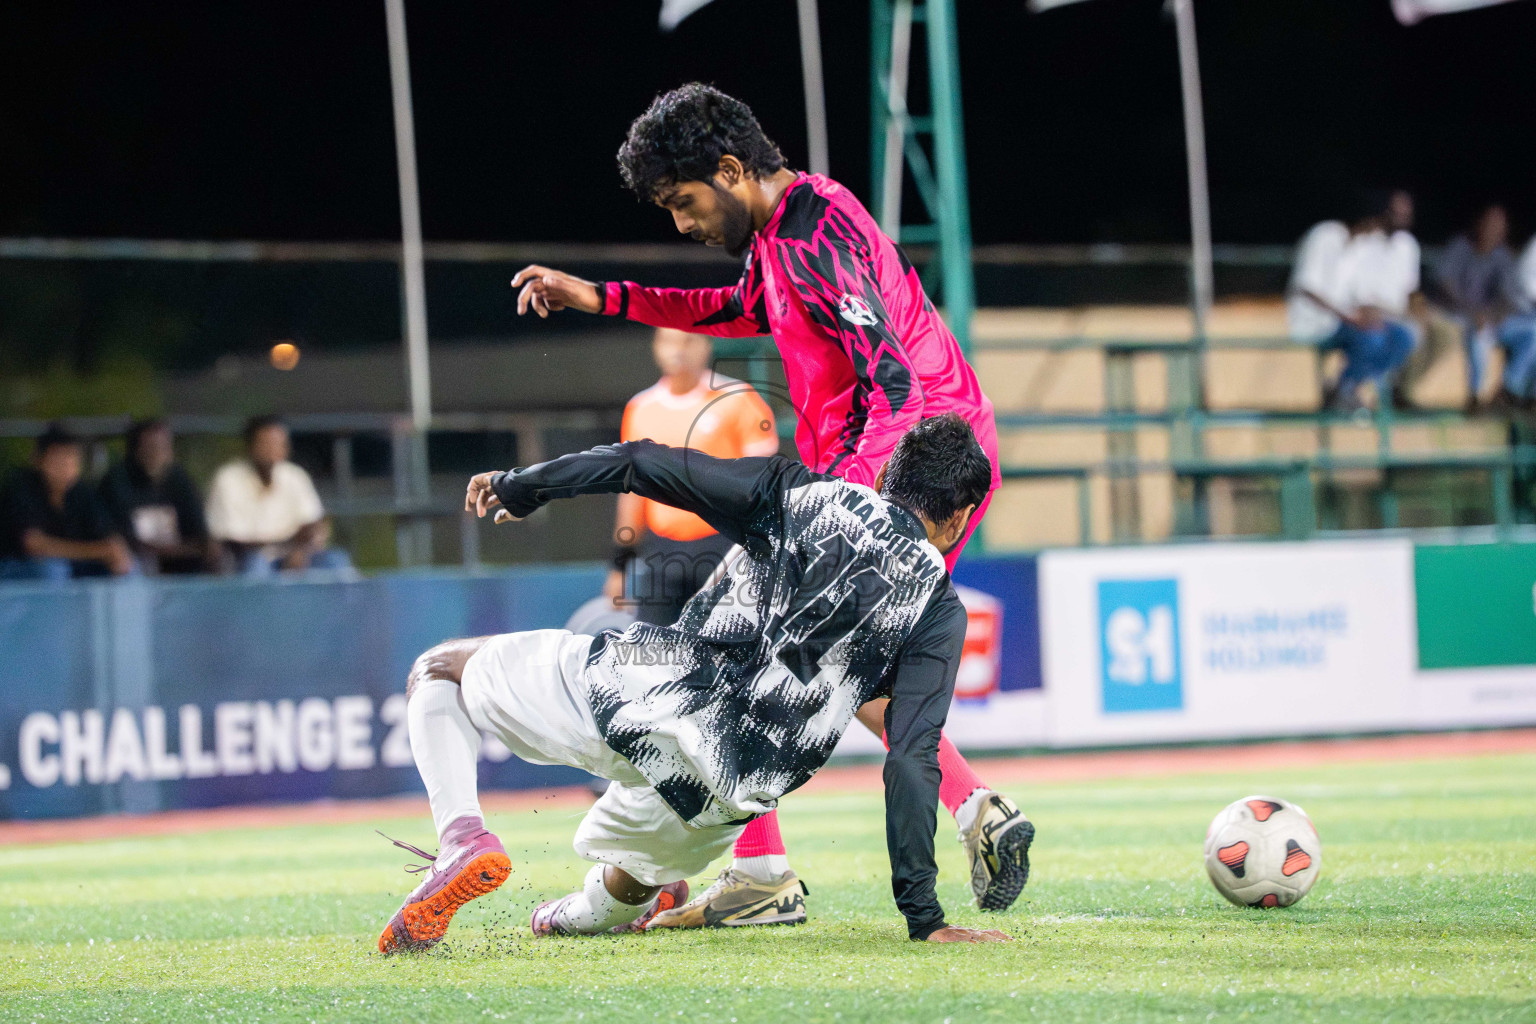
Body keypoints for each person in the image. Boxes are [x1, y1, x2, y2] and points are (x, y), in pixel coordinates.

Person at [507, 83, 1033, 925]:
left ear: (729, 169)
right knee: (815, 660)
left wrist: (845, 507)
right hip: (903, 469)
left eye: (684, 203)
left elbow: (893, 379)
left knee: (759, 653)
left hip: (918, 475)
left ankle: (766, 873)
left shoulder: (815, 236)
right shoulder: (784, 237)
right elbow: (721, 308)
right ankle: (963, 816)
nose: (682, 224)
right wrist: (602, 296)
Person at [377, 416, 1011, 952]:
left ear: (884, 475)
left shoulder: (802, 494)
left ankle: (463, 839)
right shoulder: (938, 607)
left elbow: (640, 464)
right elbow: (912, 756)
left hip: (648, 699)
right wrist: (925, 920)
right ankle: (566, 913)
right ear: (957, 518)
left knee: (437, 670)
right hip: (732, 788)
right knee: (631, 885)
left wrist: (526, 486)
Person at [608, 327, 779, 625]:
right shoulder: (639, 408)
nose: (678, 350)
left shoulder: (738, 399)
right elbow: (632, 494)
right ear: (656, 347)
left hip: (725, 547)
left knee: (729, 650)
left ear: (706, 345)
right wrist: (619, 566)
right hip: (662, 553)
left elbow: (763, 483)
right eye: (668, 341)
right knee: (652, 651)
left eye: (688, 340)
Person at [1287, 196, 1417, 411]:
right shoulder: (1326, 234)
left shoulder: (1359, 246)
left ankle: (1345, 388)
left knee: (1402, 337)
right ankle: (1345, 390)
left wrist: (1367, 314)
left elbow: (1358, 294)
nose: (1377, 229)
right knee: (1373, 338)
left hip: (1343, 321)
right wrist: (1349, 317)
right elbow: (1306, 287)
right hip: (1313, 321)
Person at [204, 415, 352, 575]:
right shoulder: (228, 479)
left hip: (295, 558)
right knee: (256, 565)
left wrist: (299, 550)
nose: (272, 450)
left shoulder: (295, 476)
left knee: (336, 561)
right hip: (248, 562)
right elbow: (232, 541)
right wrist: (289, 544)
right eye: (265, 444)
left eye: (278, 444)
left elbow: (313, 524)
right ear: (250, 446)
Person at [0, 424, 134, 581]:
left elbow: (107, 533)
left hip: (72, 565)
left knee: (130, 566)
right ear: (38, 459)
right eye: (58, 457)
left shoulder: (81, 492)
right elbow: (34, 545)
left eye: (71, 457)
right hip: (16, 570)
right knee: (53, 570)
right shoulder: (21, 487)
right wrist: (98, 551)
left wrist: (117, 551)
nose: (65, 465)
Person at [1433, 205, 1535, 411]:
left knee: (1532, 330)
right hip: (1459, 315)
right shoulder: (1460, 247)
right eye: (1489, 223)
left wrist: (1492, 315)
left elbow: (1509, 296)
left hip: (1492, 320)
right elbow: (1444, 284)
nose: (1493, 229)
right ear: (1479, 223)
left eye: (1499, 225)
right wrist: (1474, 314)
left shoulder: (1502, 256)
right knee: (1478, 336)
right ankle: (1476, 398)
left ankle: (1510, 390)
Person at [99, 418, 218, 574]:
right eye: (150, 447)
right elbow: (119, 535)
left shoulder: (179, 479)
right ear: (135, 449)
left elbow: (198, 525)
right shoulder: (117, 480)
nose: (157, 454)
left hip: (179, 555)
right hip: (138, 557)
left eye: (163, 448)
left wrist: (206, 545)